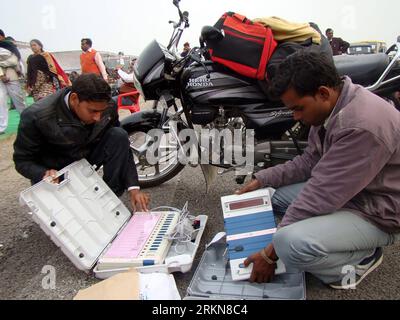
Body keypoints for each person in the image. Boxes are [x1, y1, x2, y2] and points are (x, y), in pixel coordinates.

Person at [237, 51, 400, 289]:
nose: (295, 116)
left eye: (298, 108)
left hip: (380, 212)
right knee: (275, 197)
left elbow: (321, 195)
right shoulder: (333, 107)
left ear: (323, 92)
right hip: (356, 192)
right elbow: (309, 162)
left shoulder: (361, 125)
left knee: (288, 243)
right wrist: (261, 180)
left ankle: (360, 260)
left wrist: (268, 254)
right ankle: (340, 238)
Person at [13, 73, 150, 212]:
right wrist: (43, 173)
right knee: (70, 215)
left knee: (118, 135)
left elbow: (121, 144)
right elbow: (22, 160)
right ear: (74, 99)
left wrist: (134, 188)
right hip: (57, 173)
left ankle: (110, 199)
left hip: (85, 158)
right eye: (93, 111)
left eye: (101, 111)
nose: (98, 118)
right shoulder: (37, 116)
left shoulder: (108, 107)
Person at [0, 29, 26, 134]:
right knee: (0, 102)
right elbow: (11, 61)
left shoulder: (11, 46)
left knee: (19, 101)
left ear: (2, 36)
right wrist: (1, 74)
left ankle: (27, 122)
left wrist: (2, 63)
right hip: (1, 79)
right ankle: (1, 127)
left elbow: (15, 61)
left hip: (12, 76)